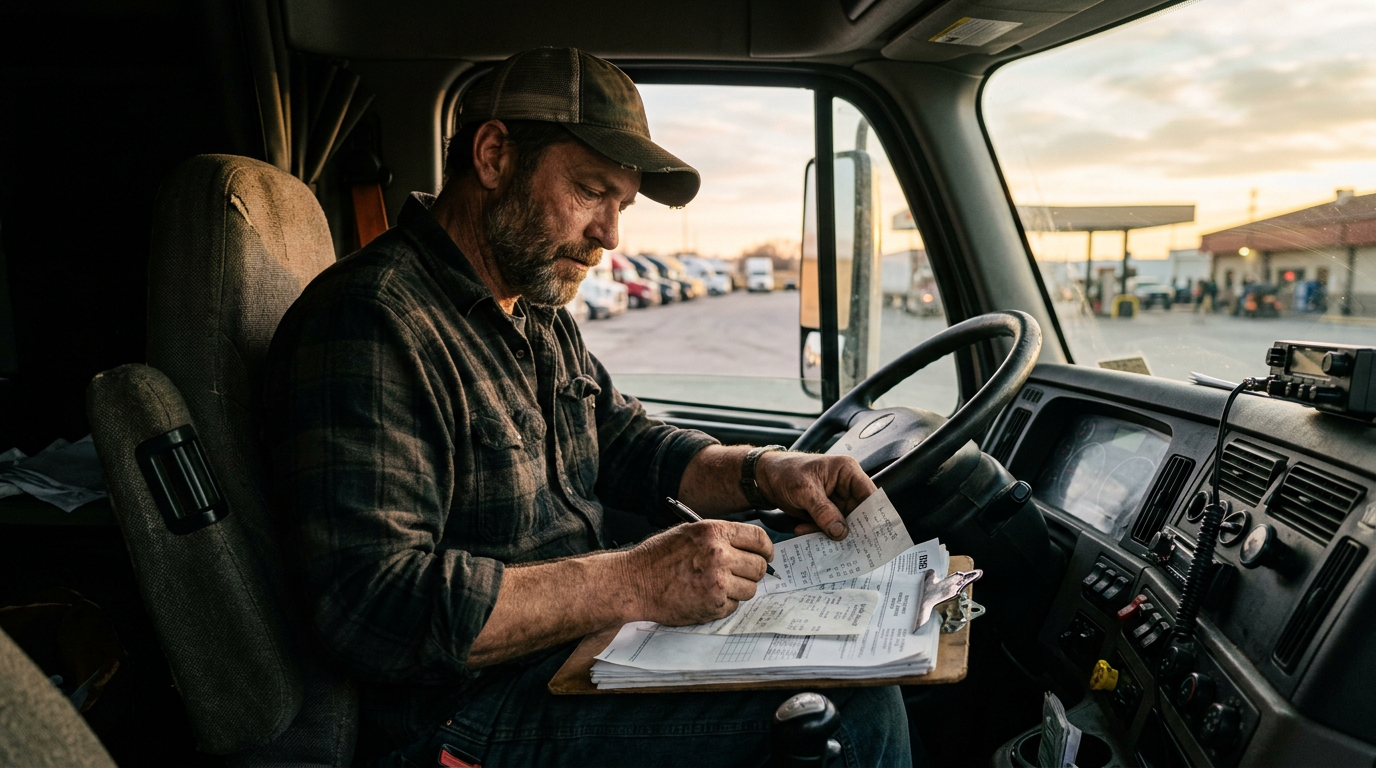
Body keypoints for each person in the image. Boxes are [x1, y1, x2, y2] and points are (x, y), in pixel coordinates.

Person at [262, 48, 912, 767]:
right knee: (850, 706)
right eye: (589, 191)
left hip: (578, 656)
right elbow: (373, 605)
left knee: (859, 629)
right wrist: (633, 582)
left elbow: (625, 441)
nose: (610, 234)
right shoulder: (374, 321)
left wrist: (769, 471)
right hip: (461, 715)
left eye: (622, 205)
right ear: (493, 155)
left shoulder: (532, 310)